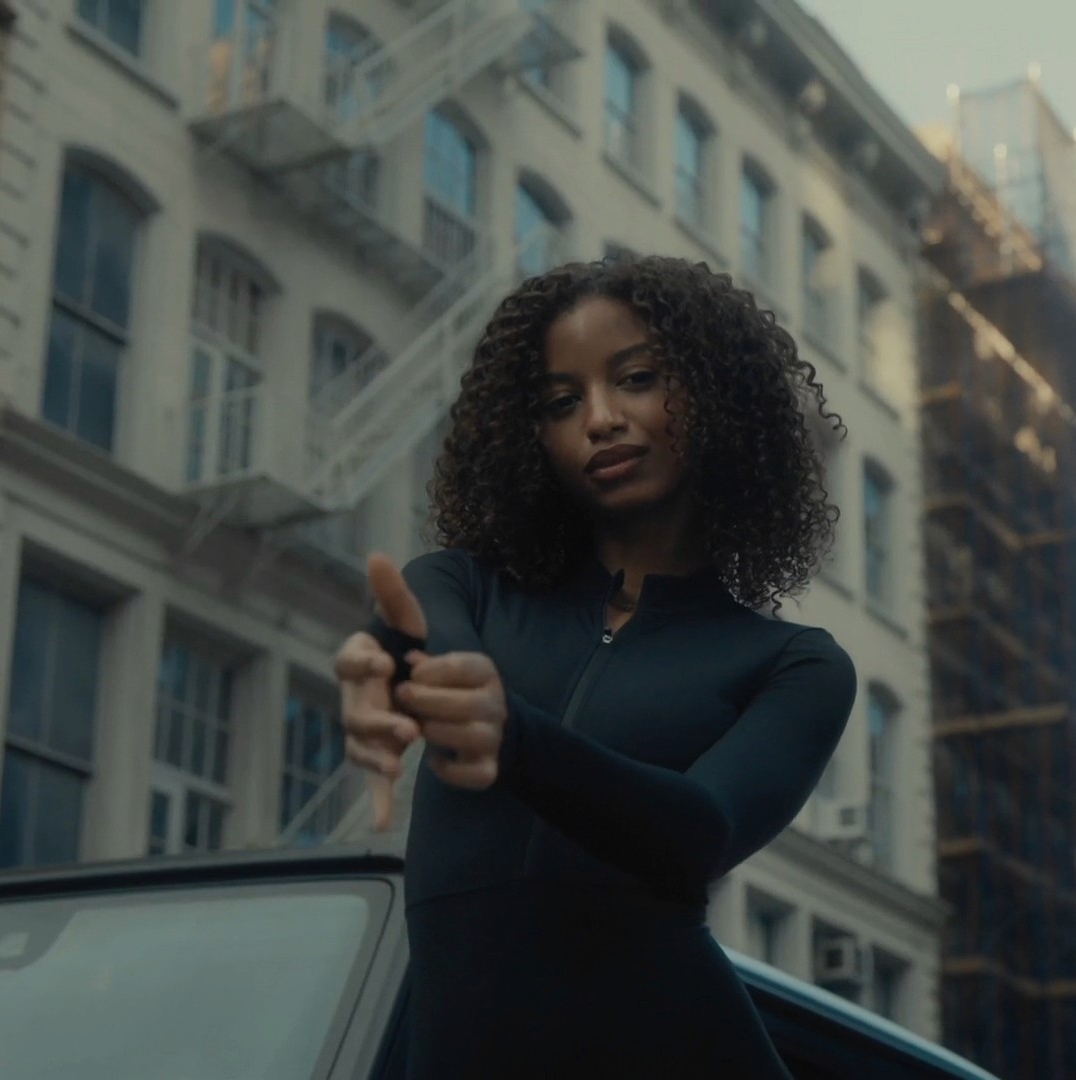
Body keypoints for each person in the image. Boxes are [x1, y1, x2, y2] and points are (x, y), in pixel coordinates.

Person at [335, 255, 857, 1078]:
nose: (602, 419)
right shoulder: (458, 583)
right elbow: (420, 648)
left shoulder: (794, 665)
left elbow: (700, 832)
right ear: (529, 434)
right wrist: (387, 673)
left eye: (638, 379)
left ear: (721, 396)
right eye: (561, 401)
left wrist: (508, 734)